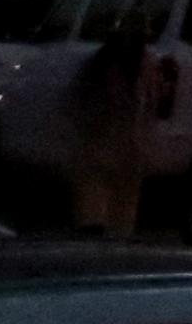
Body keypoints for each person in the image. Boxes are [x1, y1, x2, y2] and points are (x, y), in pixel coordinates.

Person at [65, 12, 154, 235]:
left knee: (122, 200)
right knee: (97, 196)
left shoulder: (146, 65)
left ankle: (112, 233)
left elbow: (150, 105)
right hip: (102, 141)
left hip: (126, 144)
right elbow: (80, 102)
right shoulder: (102, 65)